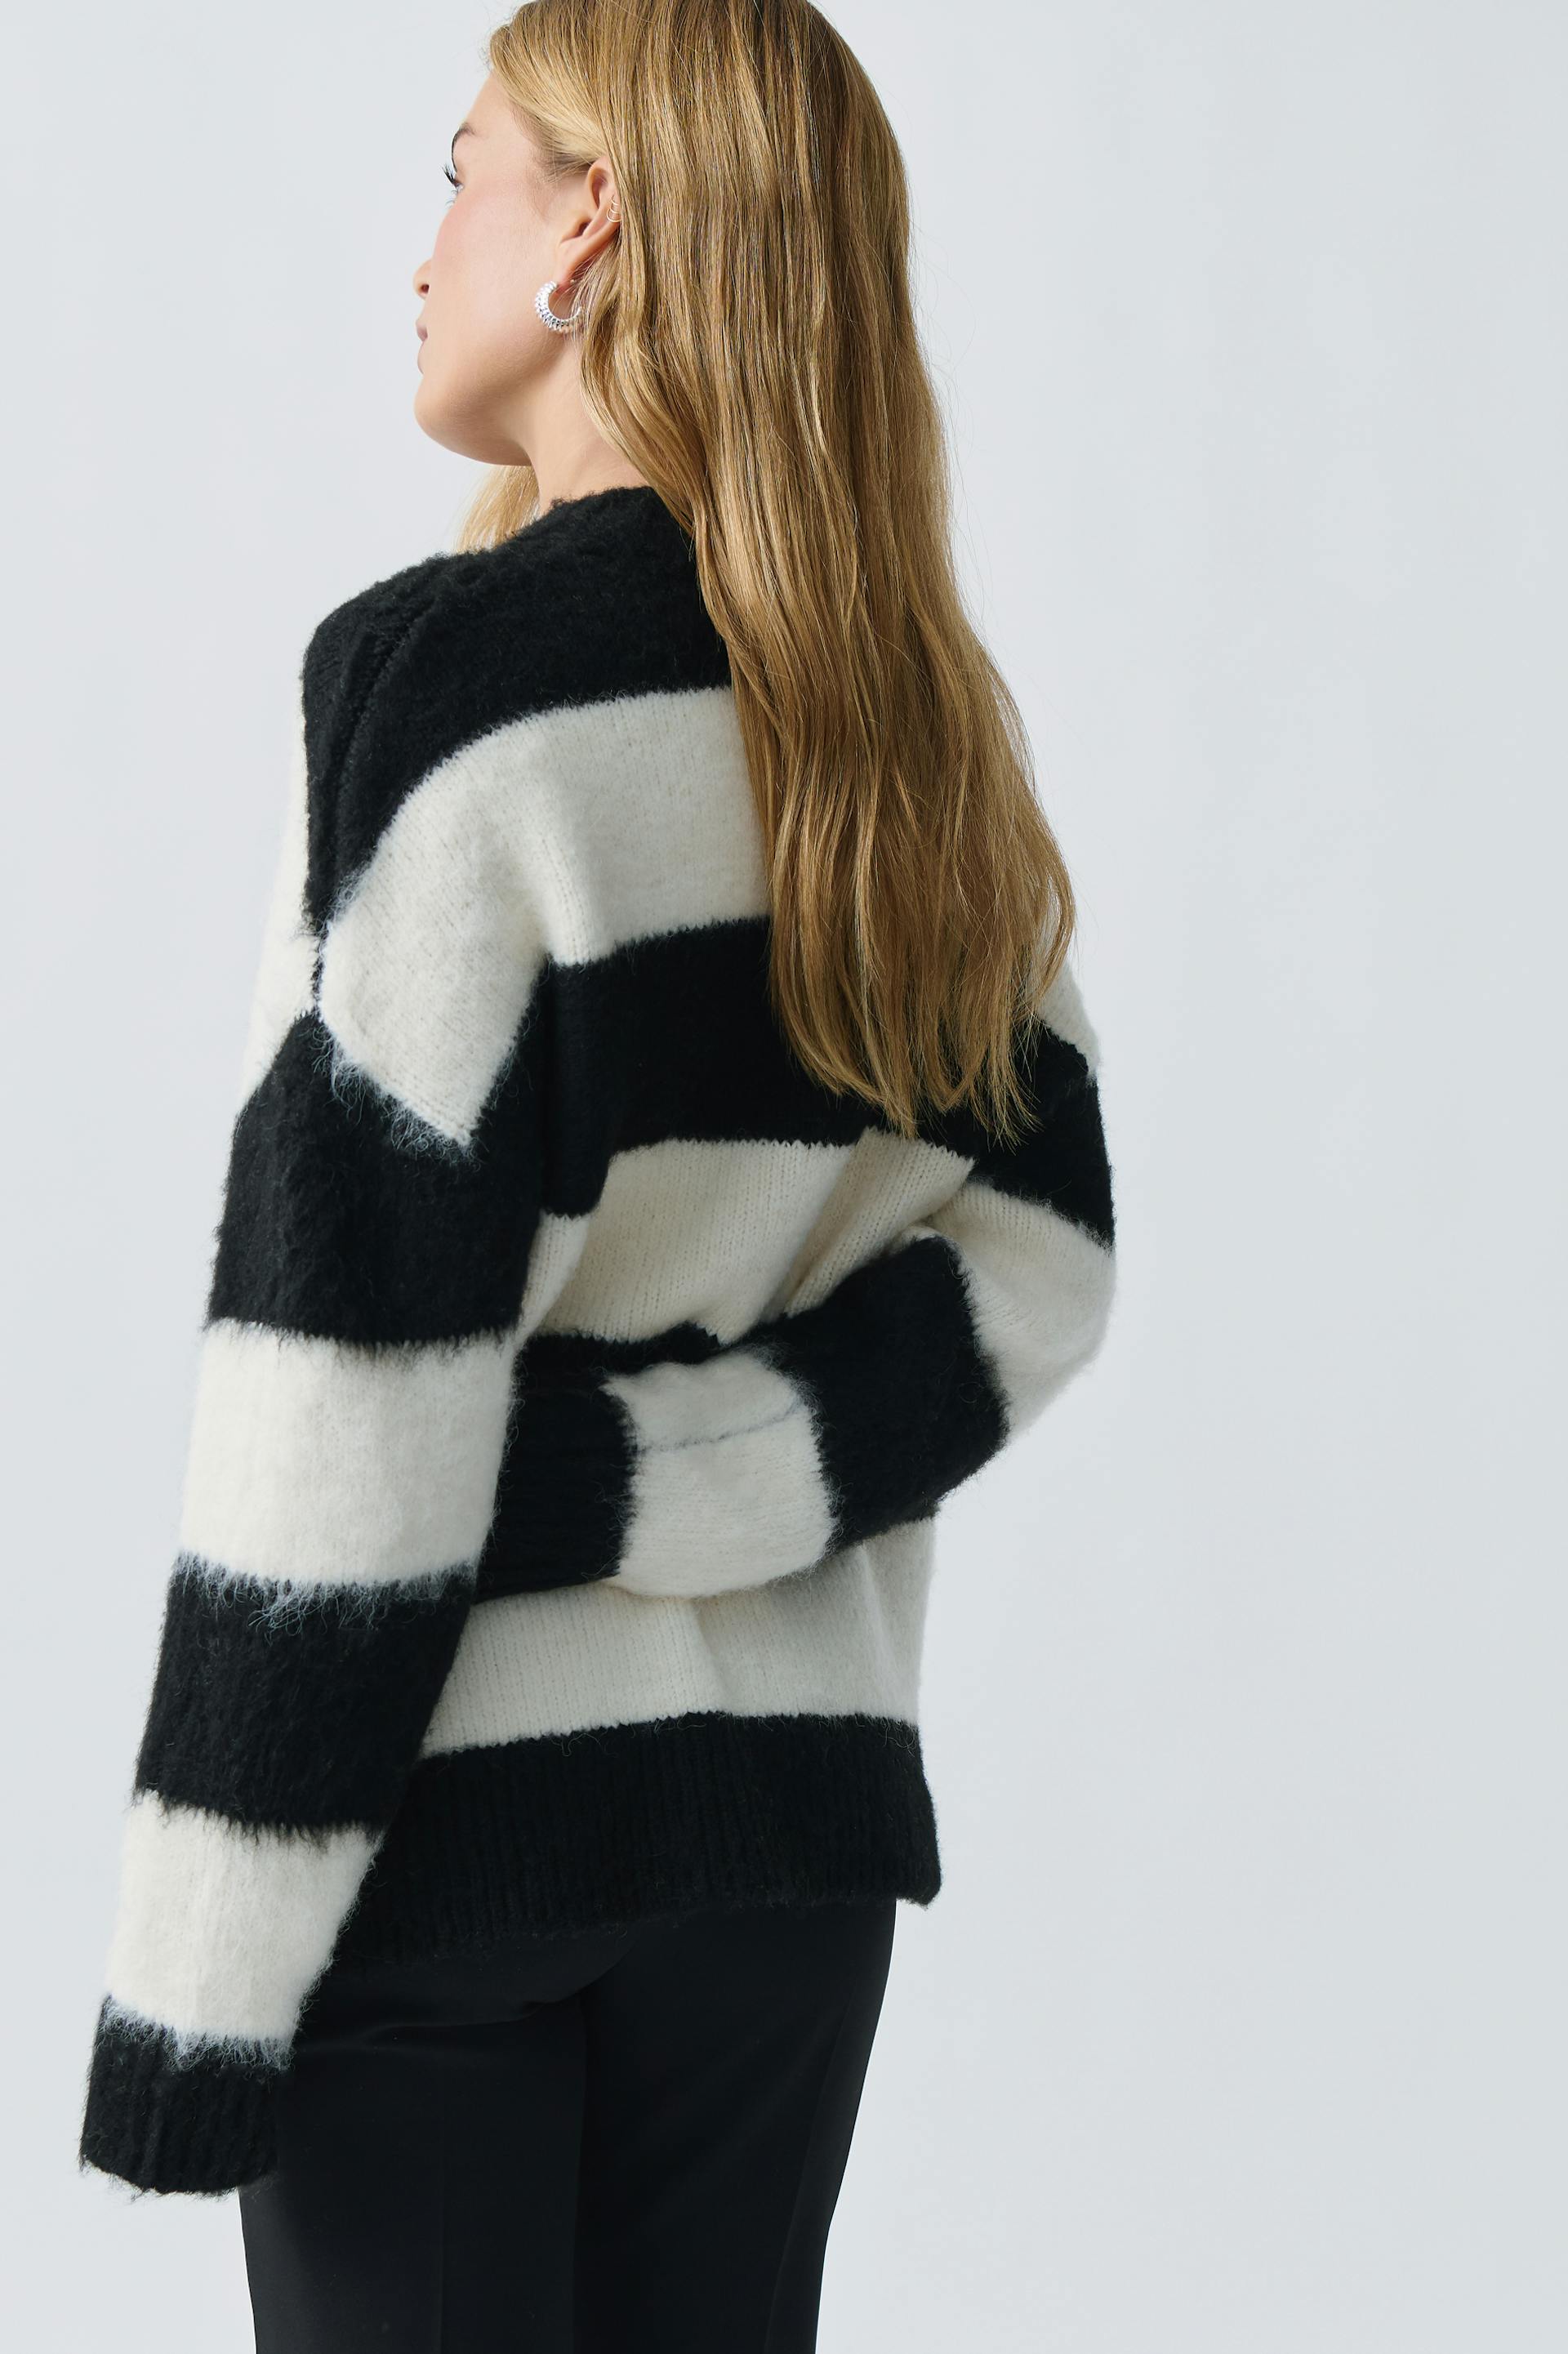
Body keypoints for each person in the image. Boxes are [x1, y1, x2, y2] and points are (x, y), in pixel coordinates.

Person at [75, 2, 1119, 2347]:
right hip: (786, 1849)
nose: (424, 243)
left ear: (594, 226)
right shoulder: (908, 737)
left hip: (448, 1834)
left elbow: (346, 1377)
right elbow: (1042, 1254)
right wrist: (694, 1483)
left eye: (464, 168)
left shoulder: (449, 693)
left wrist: (196, 1985)